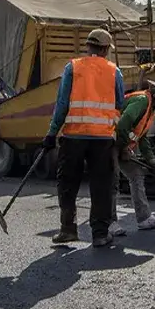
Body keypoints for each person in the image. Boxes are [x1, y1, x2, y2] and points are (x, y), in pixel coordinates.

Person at [40, 28, 124, 247]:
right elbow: (120, 104)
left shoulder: (73, 67)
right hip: (103, 140)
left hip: (74, 136)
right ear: (106, 49)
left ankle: (68, 229)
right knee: (101, 187)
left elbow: (62, 104)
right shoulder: (114, 71)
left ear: (88, 46)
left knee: (68, 183)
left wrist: (51, 133)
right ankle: (99, 234)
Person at [108, 75, 155, 234]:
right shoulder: (142, 101)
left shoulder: (150, 109)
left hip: (120, 143)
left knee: (136, 175)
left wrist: (151, 161)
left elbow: (142, 138)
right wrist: (125, 148)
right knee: (111, 181)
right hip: (110, 142)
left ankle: (144, 218)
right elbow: (123, 124)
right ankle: (109, 222)